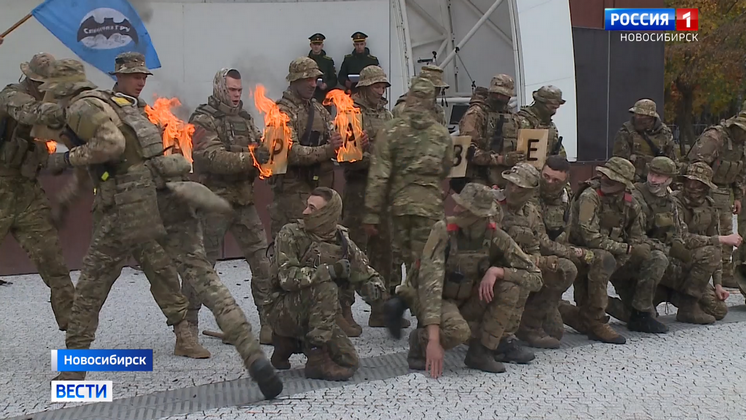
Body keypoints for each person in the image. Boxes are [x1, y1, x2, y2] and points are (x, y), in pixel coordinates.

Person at [43, 59, 282, 399]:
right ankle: (254, 356)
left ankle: (71, 375)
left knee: (90, 291)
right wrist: (66, 201)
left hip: (129, 205)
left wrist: (64, 160)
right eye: (135, 75)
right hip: (169, 192)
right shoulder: (128, 108)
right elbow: (101, 166)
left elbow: (109, 148)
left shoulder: (82, 106)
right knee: (205, 278)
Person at [389, 183, 542, 377]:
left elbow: (535, 277)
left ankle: (481, 352)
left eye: (463, 207)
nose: (456, 209)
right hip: (437, 299)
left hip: (468, 297)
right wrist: (434, 340)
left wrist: (499, 272)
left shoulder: (496, 237)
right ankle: (420, 341)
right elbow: (430, 287)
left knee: (510, 287)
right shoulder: (443, 231)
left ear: (479, 216)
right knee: (458, 331)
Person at [189, 68, 274, 345]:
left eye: (239, 90)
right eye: (232, 90)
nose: (236, 95)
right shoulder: (204, 118)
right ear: (220, 88)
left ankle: (269, 323)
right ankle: (186, 328)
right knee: (202, 268)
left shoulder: (246, 118)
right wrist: (251, 158)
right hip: (213, 201)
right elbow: (210, 156)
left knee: (263, 264)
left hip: (243, 200)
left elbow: (259, 144)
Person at [266, 187, 387, 381]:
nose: (305, 212)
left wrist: (376, 290)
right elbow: (286, 278)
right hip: (282, 310)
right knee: (326, 286)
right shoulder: (291, 234)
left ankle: (289, 344)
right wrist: (328, 272)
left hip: (319, 316)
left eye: (313, 209)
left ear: (328, 214)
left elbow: (364, 272)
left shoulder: (342, 240)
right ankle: (316, 358)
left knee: (349, 361)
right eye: (307, 206)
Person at [0, 52, 75, 331]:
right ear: (32, 81)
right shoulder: (12, 95)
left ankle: (75, 335)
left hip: (27, 194)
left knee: (55, 264)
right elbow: (29, 113)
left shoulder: (50, 104)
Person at [609, 162, 737, 323]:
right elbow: (682, 238)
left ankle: (674, 296)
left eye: (698, 184)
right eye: (689, 182)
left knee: (718, 309)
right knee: (636, 315)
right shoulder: (670, 200)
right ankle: (604, 304)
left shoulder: (706, 206)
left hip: (680, 263)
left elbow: (683, 238)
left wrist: (718, 284)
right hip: (654, 260)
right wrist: (719, 239)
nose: (692, 187)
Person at [562, 157, 667, 345]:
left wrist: (648, 247)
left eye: (613, 179)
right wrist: (626, 248)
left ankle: (640, 312)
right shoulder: (590, 196)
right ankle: (595, 319)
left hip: (618, 256)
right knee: (604, 259)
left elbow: (637, 235)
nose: (606, 181)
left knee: (657, 257)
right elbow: (590, 237)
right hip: (584, 254)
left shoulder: (630, 202)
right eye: (605, 176)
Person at [363, 78, 453, 273]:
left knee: (395, 262)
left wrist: (371, 214)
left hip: (399, 207)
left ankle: (395, 298)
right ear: (431, 101)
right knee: (427, 265)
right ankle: (423, 299)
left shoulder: (390, 130)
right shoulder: (441, 134)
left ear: (410, 97)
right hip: (430, 207)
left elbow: (379, 175)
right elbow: (446, 167)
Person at [340, 65, 405, 328]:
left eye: (383, 87)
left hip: (383, 190)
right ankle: (344, 309)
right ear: (364, 87)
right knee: (351, 249)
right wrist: (374, 157)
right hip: (359, 189)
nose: (381, 91)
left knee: (385, 250)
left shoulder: (387, 114)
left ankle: (382, 306)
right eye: (377, 86)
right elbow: (349, 158)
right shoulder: (349, 113)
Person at [496, 163, 576, 349]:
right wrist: (533, 263)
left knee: (564, 269)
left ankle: (529, 323)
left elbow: (536, 243)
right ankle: (503, 336)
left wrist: (538, 263)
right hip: (496, 267)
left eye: (520, 187)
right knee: (524, 276)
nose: (513, 190)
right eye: (510, 184)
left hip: (524, 264)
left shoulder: (530, 212)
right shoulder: (493, 205)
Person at [687, 109, 746, 289]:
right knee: (705, 231)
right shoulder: (715, 138)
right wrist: (696, 193)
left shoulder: (740, 145)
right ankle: (701, 271)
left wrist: (737, 197)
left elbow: (740, 172)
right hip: (705, 190)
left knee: (727, 232)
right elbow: (696, 165)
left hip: (724, 192)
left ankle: (725, 272)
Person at [460, 74, 523, 188]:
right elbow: (468, 150)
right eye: (496, 93)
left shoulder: (511, 116)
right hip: (479, 177)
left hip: (504, 177)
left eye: (503, 95)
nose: (498, 97)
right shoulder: (476, 113)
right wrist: (500, 159)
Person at [612, 99, 676, 182]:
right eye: (636, 114)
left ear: (651, 117)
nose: (637, 118)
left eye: (642, 115)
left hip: (658, 179)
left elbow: (672, 161)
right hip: (633, 179)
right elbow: (619, 162)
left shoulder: (664, 133)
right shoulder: (626, 132)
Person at [516, 85, 566, 158]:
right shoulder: (519, 121)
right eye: (551, 107)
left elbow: (560, 154)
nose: (554, 111)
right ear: (539, 103)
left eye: (556, 107)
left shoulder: (551, 126)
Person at [307, 33, 338, 105]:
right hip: (309, 95)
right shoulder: (306, 61)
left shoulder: (328, 61)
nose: (316, 47)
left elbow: (333, 79)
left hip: (323, 95)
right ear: (311, 45)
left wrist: (326, 84)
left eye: (318, 44)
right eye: (314, 44)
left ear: (322, 46)